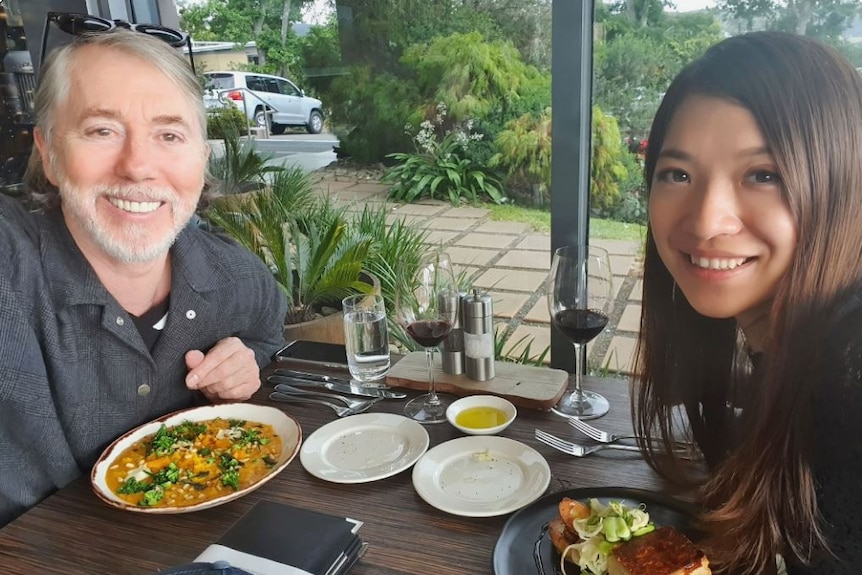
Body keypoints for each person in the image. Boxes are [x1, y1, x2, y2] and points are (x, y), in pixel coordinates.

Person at [0, 29, 286, 526]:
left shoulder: (234, 274)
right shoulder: (11, 262)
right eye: (101, 130)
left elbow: (267, 332)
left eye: (169, 135)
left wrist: (247, 360)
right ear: (48, 153)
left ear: (201, 156)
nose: (137, 166)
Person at [634, 31, 862, 574]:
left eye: (764, 175)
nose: (708, 220)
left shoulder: (849, 363)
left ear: (841, 186)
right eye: (678, 174)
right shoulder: (783, 349)